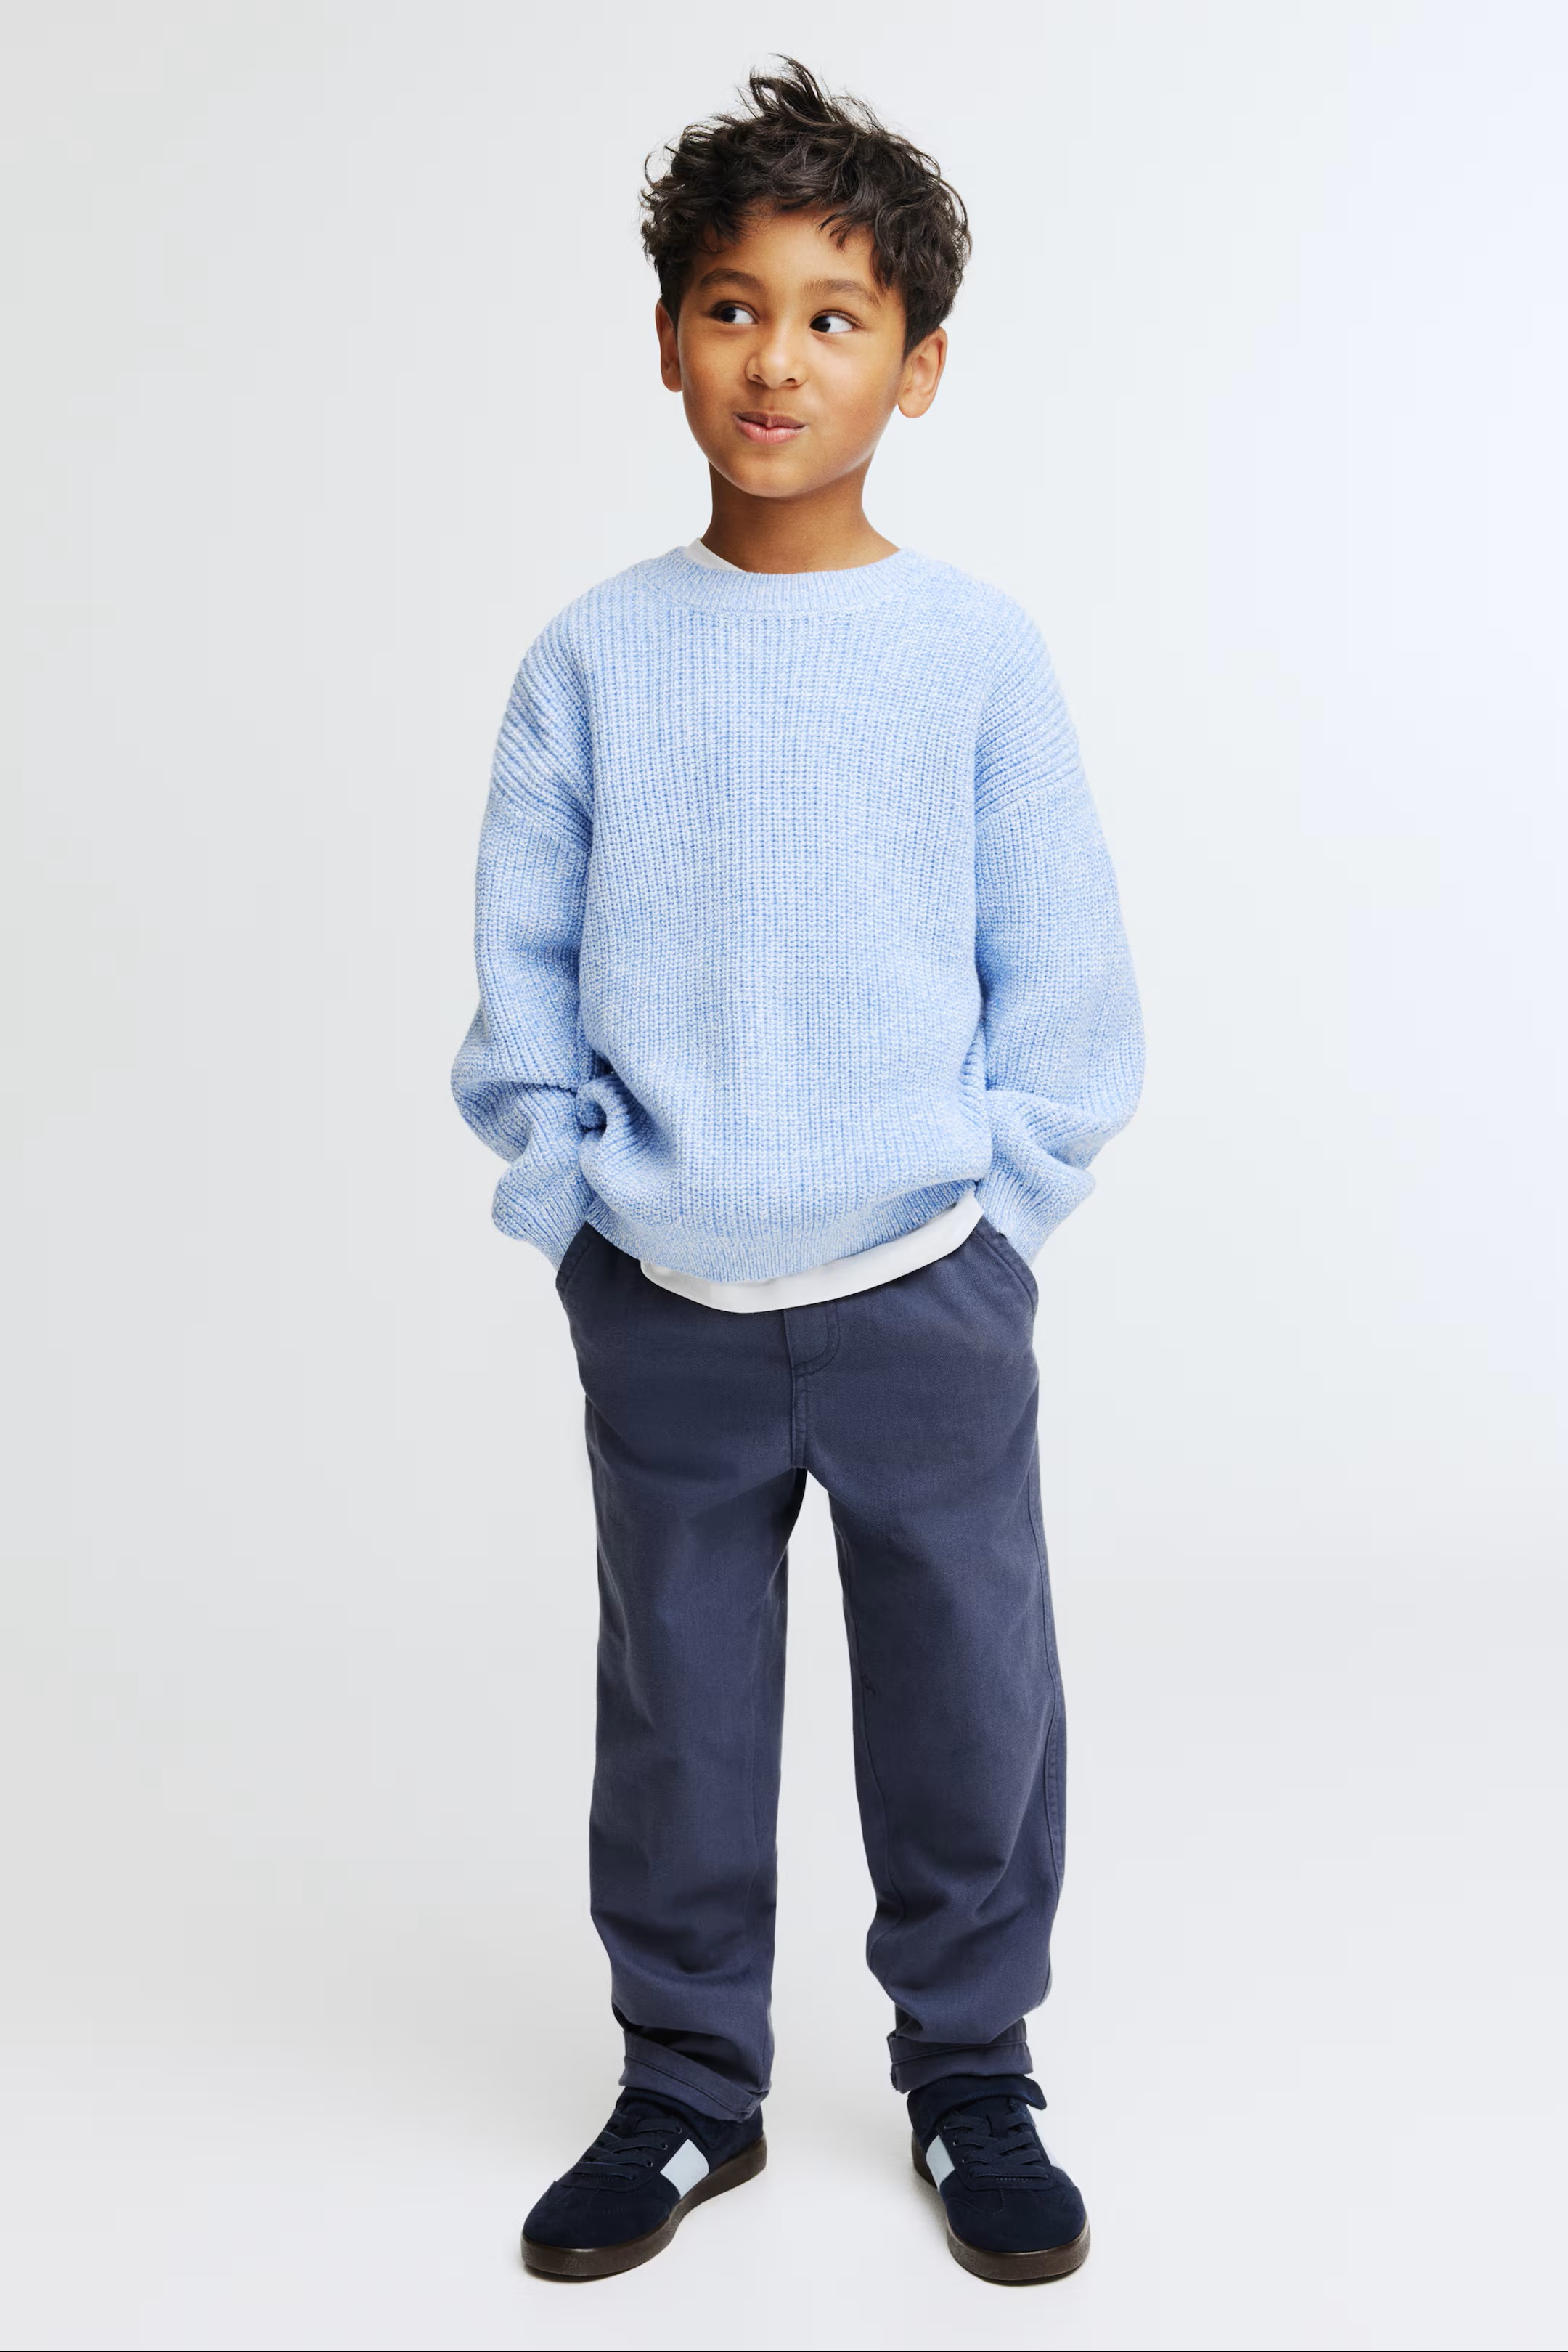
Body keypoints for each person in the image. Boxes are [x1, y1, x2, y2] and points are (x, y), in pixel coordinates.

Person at [452, 57, 1144, 2287]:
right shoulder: (595, 655)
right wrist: (571, 1203)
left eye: (835, 318)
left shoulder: (971, 653)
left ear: (917, 364)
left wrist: (1002, 1213)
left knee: (969, 1692)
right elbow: (523, 970)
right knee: (679, 1705)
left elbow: (1063, 976)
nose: (777, 359)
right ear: (669, 339)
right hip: (665, 1292)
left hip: (924, 1279)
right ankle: (686, 2085)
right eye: (734, 309)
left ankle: (974, 2071)